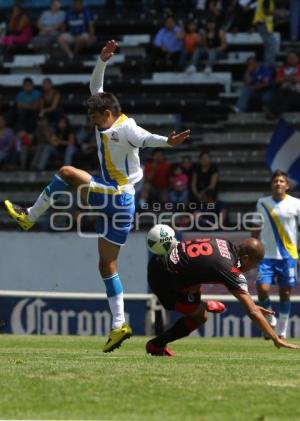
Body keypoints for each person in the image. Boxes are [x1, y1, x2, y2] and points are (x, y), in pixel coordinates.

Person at [4, 39, 190, 353]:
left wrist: (168, 142)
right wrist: (102, 60)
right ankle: (120, 325)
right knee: (107, 266)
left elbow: (146, 139)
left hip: (116, 195)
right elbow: (96, 84)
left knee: (65, 172)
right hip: (122, 204)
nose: (91, 123)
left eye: (93, 119)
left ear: (106, 114)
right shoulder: (104, 111)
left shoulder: (126, 128)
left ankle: (29, 217)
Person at [146, 236, 299, 356]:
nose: (253, 269)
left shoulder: (223, 243)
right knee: (200, 317)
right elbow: (252, 312)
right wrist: (275, 338)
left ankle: (201, 303)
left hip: (159, 263)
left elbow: (203, 263)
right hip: (163, 282)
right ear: (246, 258)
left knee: (195, 281)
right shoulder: (230, 269)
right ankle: (156, 345)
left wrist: (253, 305)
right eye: (254, 264)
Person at [252, 170, 300, 340]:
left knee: (285, 293)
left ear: (287, 185)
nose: (278, 183)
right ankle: (270, 319)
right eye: (275, 181)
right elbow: (256, 226)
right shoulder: (262, 203)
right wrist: (252, 251)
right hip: (266, 256)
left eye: (281, 181)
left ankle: (281, 331)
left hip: (288, 256)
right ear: (271, 184)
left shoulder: (296, 204)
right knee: (262, 289)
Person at [264, 51, 300, 118]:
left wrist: (286, 78)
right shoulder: (283, 68)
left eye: (293, 57)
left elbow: (298, 79)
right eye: (289, 57)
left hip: (297, 93)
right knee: (279, 94)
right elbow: (277, 80)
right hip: (285, 90)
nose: (291, 59)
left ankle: (275, 113)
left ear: (298, 58)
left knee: (290, 96)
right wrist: (291, 77)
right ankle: (269, 110)